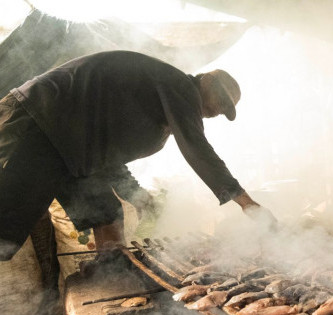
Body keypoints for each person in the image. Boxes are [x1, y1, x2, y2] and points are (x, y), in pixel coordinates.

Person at [0, 50, 276, 263]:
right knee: (5, 231)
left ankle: (109, 272)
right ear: (206, 82)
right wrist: (246, 203)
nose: (219, 112)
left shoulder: (165, 105)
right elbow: (196, 147)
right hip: (38, 122)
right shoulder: (180, 86)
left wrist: (137, 195)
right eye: (222, 103)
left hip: (71, 149)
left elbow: (108, 155)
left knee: (106, 213)